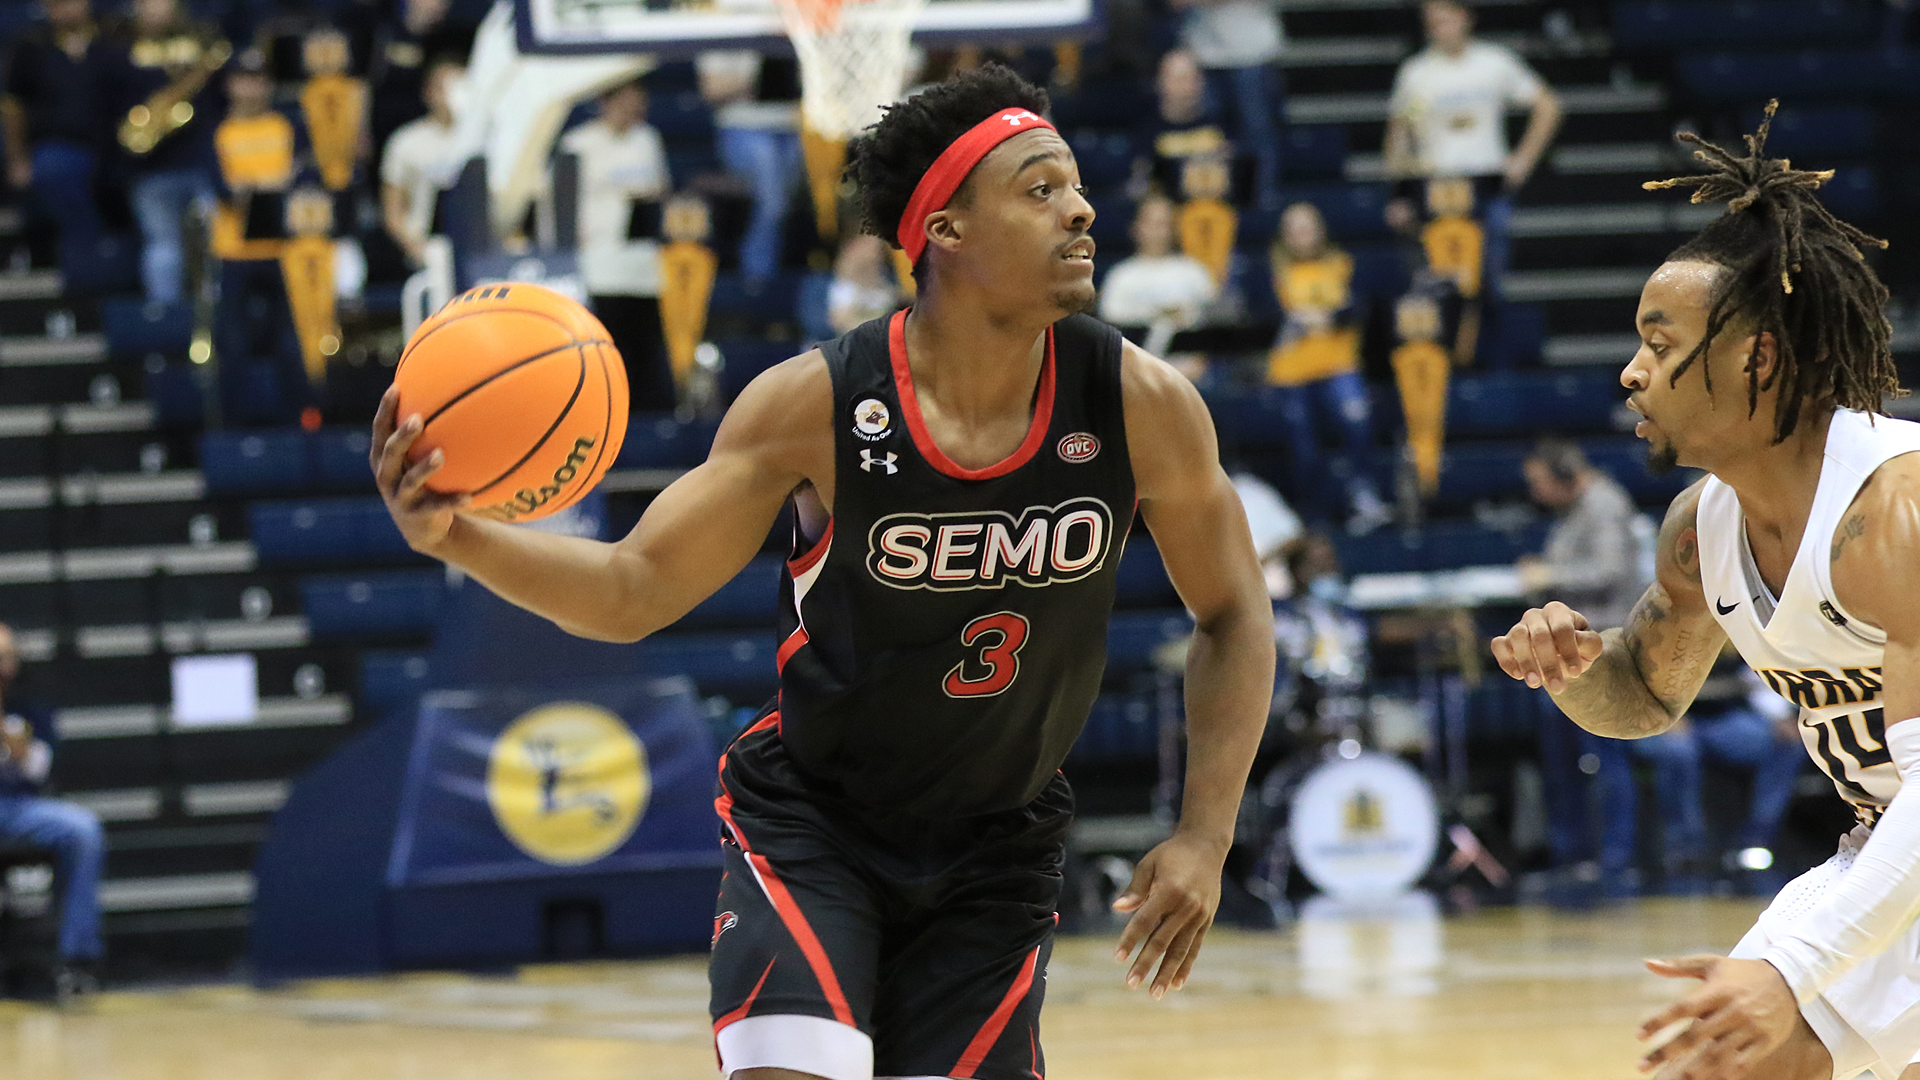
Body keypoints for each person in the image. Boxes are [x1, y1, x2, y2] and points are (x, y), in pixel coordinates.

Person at [370, 63, 1275, 1080]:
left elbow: (1235, 611)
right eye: (1039, 189)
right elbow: (633, 591)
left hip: (998, 846)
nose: (1081, 209)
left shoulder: (1140, 404)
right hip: (817, 828)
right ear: (945, 232)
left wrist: (1205, 834)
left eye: (1071, 184)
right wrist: (456, 537)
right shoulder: (816, 405)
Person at [1490, 106, 1920, 1080]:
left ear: (1754, 357)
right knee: (1725, 1059)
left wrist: (1795, 967)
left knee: (1755, 1053)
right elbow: (1643, 695)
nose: (1630, 373)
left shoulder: (1894, 513)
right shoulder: (1701, 528)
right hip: (1889, 857)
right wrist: (1574, 664)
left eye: (1658, 341)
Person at [1384, 0, 1561, 304]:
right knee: (1439, 283)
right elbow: (1399, 134)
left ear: (1465, 18)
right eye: (1432, 22)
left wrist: (1523, 161)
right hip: (1436, 187)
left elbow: (1548, 105)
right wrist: (1399, 192)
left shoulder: (1494, 62)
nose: (1439, 28)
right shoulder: (1416, 73)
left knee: (1487, 278)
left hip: (1485, 183)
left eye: (1445, 19)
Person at [1267, 201, 1388, 535]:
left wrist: (1322, 317)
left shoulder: (1343, 264)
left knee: (1357, 420)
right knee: (1302, 442)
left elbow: (1359, 309)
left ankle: (1364, 493)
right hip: (1291, 372)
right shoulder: (1275, 272)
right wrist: (1319, 317)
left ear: (1321, 230)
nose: (1302, 236)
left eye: (1308, 227)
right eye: (1294, 229)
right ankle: (1313, 512)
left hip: (1339, 365)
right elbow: (1269, 317)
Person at [0, 623, 105, 1000]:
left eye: (6, 657)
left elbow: (41, 769)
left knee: (83, 830)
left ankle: (78, 959)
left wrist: (15, 744)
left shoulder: (30, 708)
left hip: (19, 807)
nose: (1, 666)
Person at [559, 78, 673, 412]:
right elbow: (561, 204)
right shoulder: (577, 144)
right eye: (625, 100)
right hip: (597, 260)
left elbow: (659, 192)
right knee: (606, 346)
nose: (632, 108)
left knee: (643, 346)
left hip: (641, 262)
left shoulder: (648, 139)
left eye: (638, 100)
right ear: (606, 101)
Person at [108, 0, 226, 306]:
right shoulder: (119, 47)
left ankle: (218, 318)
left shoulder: (203, 41)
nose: (156, 7)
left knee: (217, 245)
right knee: (163, 249)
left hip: (202, 164)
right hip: (150, 169)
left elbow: (218, 103)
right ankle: (165, 320)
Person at [210, 50, 306, 425]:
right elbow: (224, 191)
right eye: (243, 78)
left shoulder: (288, 127)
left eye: (258, 78)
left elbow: (298, 183)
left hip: (285, 252)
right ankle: (235, 428)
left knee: (291, 343)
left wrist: (252, 189)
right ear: (230, 85)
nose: (251, 86)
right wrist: (268, 188)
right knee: (232, 344)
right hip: (234, 251)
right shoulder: (218, 133)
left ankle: (299, 425)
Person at [1, 0, 117, 245]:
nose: (64, 9)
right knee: (52, 168)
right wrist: (17, 158)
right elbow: (14, 108)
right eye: (56, 4)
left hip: (117, 146)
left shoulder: (113, 38)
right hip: (61, 146)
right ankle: (89, 247)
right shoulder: (30, 46)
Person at [697, 50, 803, 291]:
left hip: (790, 125)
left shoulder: (793, 28)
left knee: (799, 195)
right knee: (772, 198)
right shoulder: (725, 29)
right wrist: (754, 77)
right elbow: (711, 89)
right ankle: (757, 275)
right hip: (742, 128)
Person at [1168, 0, 1284, 211]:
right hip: (1203, 53)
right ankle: (1213, 206)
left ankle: (1260, 205)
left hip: (1252, 52)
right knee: (1209, 139)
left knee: (1257, 135)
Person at [1097, 193, 1217, 355]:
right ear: (1136, 227)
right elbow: (1112, 324)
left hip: (1190, 365)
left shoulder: (1194, 271)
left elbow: (1213, 322)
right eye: (1151, 223)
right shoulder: (1121, 276)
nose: (1158, 232)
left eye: (1164, 224)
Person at [379, 58, 462, 269]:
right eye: (443, 88)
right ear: (428, 92)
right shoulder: (405, 141)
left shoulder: (485, 140)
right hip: (426, 249)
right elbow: (392, 211)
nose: (451, 96)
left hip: (478, 249)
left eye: (459, 86)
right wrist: (415, 248)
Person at [1133, 49, 1230, 202]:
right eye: (1178, 78)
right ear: (1159, 82)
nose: (1186, 85)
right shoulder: (1144, 132)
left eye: (1191, 78)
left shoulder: (1222, 126)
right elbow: (1138, 186)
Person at [824, 234, 902, 337]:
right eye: (869, 247)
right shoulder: (845, 286)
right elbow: (840, 322)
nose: (875, 253)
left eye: (878, 249)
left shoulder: (888, 281)